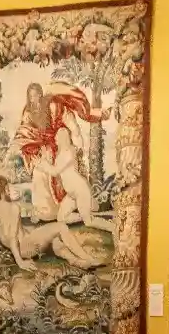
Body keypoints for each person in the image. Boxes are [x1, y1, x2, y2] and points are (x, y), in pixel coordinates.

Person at [12, 82, 114, 234]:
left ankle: (104, 224)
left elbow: (71, 123)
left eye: (37, 95)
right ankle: (45, 212)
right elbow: (26, 130)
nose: (34, 99)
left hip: (57, 149)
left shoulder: (54, 107)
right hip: (43, 147)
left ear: (41, 94)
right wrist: (34, 154)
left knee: (54, 179)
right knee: (39, 178)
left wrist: (76, 139)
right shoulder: (28, 112)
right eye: (31, 96)